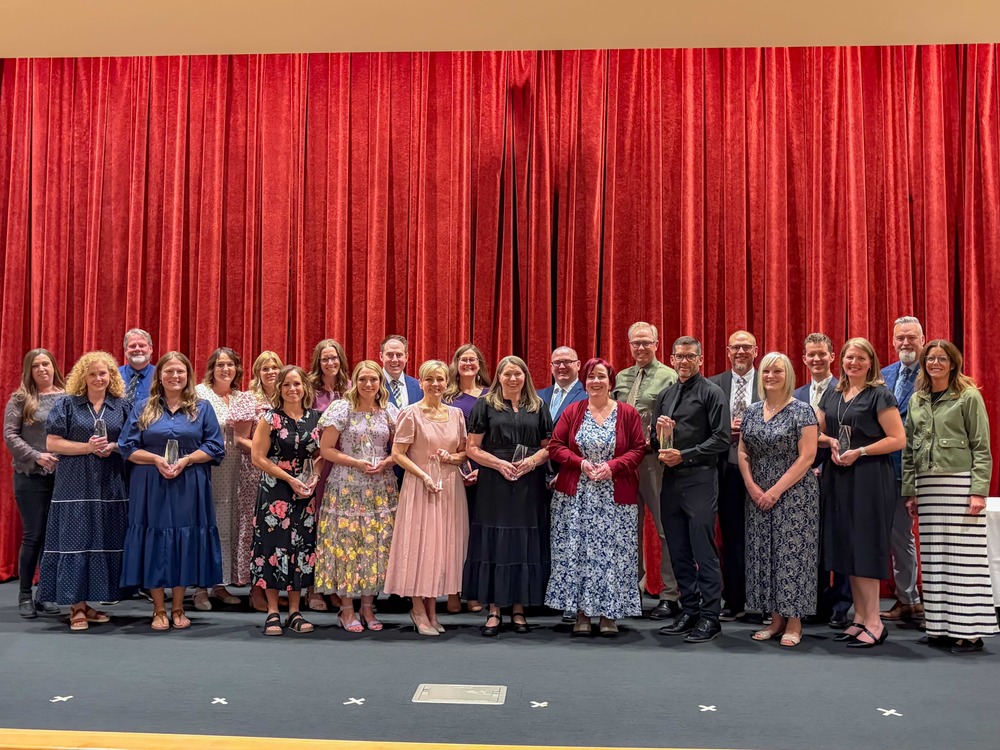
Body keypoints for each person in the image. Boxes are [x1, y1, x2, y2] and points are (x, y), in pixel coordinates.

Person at [119, 353, 225, 631]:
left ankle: (178, 607)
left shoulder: (202, 408)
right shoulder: (143, 407)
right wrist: (155, 459)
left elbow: (215, 446)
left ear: (188, 375)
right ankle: (158, 609)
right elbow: (127, 447)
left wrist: (188, 460)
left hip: (189, 483)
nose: (175, 376)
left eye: (180, 371)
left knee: (183, 541)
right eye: (169, 371)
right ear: (160, 375)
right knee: (155, 540)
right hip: (151, 483)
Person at [903, 340, 995, 653]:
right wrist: (910, 490)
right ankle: (939, 627)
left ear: (953, 363)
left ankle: (969, 632)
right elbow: (908, 448)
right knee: (934, 558)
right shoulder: (917, 398)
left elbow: (981, 447)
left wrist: (978, 491)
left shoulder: (968, 395)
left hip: (959, 484)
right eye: (931, 358)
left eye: (942, 358)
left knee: (964, 561)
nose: (936, 363)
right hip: (927, 487)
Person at [546, 357, 646, 637]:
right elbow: (556, 446)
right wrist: (581, 463)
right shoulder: (574, 411)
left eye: (601, 376)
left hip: (615, 498)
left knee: (613, 556)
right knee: (577, 553)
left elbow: (638, 449)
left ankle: (608, 614)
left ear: (610, 381)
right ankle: (581, 612)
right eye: (590, 377)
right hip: (576, 497)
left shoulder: (627, 413)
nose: (595, 381)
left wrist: (612, 467)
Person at [816, 337, 905, 648]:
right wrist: (829, 443)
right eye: (849, 357)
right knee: (848, 548)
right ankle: (859, 617)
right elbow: (819, 431)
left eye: (860, 358)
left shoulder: (880, 394)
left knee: (865, 547)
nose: (853, 363)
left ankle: (874, 621)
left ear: (871, 363)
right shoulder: (834, 393)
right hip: (839, 477)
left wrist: (862, 451)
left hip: (869, 477)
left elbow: (898, 439)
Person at [36, 351, 130, 631]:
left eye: (104, 373)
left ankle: (88, 603)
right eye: (93, 374)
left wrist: (112, 447)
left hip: (110, 482)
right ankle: (75, 605)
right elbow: (53, 443)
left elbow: (129, 442)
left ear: (111, 376)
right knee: (75, 540)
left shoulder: (121, 406)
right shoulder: (67, 404)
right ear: (83, 377)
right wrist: (88, 448)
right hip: (74, 483)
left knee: (101, 537)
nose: (99, 378)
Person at [465, 355, 552, 636]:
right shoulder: (485, 405)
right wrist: (499, 464)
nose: (513, 379)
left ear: (525, 376)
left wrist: (532, 462)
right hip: (494, 481)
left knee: (523, 541)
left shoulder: (538, 406)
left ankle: (518, 608)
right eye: (507, 374)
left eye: (518, 374)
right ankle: (493, 609)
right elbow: (472, 448)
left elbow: (549, 446)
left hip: (529, 481)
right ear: (498, 377)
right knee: (495, 541)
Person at [738, 352, 820, 647]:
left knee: (792, 556)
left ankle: (794, 622)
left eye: (778, 372)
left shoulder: (802, 411)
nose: (771, 376)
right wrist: (751, 486)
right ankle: (775, 620)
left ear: (789, 376)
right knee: (765, 554)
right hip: (758, 493)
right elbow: (743, 451)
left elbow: (807, 457)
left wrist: (776, 490)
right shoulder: (752, 411)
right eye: (767, 372)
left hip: (794, 494)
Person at [652, 336, 730, 643]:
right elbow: (658, 441)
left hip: (699, 476)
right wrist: (658, 439)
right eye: (679, 357)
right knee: (678, 548)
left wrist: (684, 454)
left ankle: (711, 616)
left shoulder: (712, 393)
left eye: (689, 357)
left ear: (700, 359)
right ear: (671, 360)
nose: (684, 362)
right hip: (670, 479)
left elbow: (722, 439)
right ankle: (690, 609)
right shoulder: (666, 394)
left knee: (702, 547)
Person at [385, 360, 469, 636]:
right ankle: (418, 608)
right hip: (421, 486)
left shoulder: (456, 414)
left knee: (440, 548)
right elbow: (398, 454)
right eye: (429, 379)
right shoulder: (410, 414)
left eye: (440, 379)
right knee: (421, 547)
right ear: (420, 382)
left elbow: (463, 453)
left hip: (449, 487)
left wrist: (452, 457)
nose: (435, 384)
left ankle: (433, 610)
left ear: (447, 383)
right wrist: (423, 475)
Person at [316, 361, 399, 632]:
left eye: (373, 379)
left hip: (380, 488)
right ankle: (346, 608)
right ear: (355, 381)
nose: (368, 384)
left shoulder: (389, 410)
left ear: (380, 382)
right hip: (346, 486)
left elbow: (400, 448)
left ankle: (367, 607)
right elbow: (326, 449)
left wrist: (387, 463)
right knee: (346, 542)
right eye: (362, 379)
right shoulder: (342, 408)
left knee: (374, 544)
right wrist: (356, 463)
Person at [611, 322, 681, 620]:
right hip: (625, 463)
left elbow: (676, 417)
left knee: (665, 529)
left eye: (646, 342)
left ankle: (670, 594)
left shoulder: (669, 376)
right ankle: (630, 591)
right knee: (627, 529)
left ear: (656, 343)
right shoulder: (623, 377)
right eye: (635, 343)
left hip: (654, 461)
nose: (641, 348)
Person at [250, 365, 323, 636]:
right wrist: (289, 478)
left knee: (301, 548)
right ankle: (272, 611)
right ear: (279, 389)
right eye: (286, 385)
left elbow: (320, 454)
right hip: (275, 491)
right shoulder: (270, 418)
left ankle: (294, 610)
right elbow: (258, 457)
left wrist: (314, 477)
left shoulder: (316, 418)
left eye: (297, 384)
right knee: (273, 548)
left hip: (305, 491)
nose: (292, 389)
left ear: (305, 387)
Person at [792, 333, 852, 629]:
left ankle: (841, 605)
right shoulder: (797, 394)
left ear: (832, 357)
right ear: (804, 359)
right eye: (810, 355)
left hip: (837, 475)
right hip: (801, 482)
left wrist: (824, 464)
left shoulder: (845, 390)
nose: (816, 359)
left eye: (821, 354)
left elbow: (848, 434)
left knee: (838, 540)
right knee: (809, 542)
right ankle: (813, 602)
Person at [3, 349, 65, 618]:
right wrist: (37, 456)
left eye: (46, 364)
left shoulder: (67, 397)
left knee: (54, 539)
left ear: (54, 367)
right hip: (30, 477)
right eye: (36, 365)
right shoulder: (20, 399)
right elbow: (10, 435)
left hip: (62, 477)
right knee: (34, 535)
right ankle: (25, 594)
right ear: (29, 370)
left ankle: (46, 594)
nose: (42, 369)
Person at [193, 347, 255, 610]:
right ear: (211, 368)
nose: (225, 369)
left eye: (230, 364)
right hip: (209, 468)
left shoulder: (242, 397)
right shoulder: (200, 393)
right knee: (207, 523)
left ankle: (220, 584)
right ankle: (199, 589)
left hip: (238, 469)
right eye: (220, 365)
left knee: (229, 524)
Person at [708, 329, 761, 622]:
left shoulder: (769, 381)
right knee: (730, 536)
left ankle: (762, 599)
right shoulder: (714, 384)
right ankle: (734, 598)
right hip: (724, 468)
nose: (740, 352)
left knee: (762, 535)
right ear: (728, 351)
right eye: (735, 347)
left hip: (762, 469)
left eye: (746, 347)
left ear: (756, 350)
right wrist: (725, 430)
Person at [879, 316, 925, 623]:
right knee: (890, 537)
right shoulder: (884, 374)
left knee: (904, 538)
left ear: (922, 339)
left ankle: (914, 599)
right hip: (879, 469)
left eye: (911, 337)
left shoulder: (933, 373)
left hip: (914, 470)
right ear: (893, 341)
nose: (905, 343)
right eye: (900, 338)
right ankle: (905, 599)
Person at [442, 343, 491, 613]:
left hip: (483, 473)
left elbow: (493, 438)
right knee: (454, 534)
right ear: (456, 364)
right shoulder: (447, 397)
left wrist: (481, 468)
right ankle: (452, 591)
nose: (468, 364)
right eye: (463, 359)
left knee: (477, 534)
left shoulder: (490, 396)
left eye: (473, 359)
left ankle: (474, 591)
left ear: (479, 364)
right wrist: (457, 468)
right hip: (453, 473)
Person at [303, 338, 350, 612]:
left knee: (336, 528)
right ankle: (312, 587)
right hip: (317, 462)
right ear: (318, 362)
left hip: (343, 465)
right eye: (325, 359)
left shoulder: (349, 389)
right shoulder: (310, 389)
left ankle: (333, 585)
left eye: (334, 358)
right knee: (315, 524)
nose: (330, 363)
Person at [238, 350, 284, 611]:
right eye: (265, 368)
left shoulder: (287, 394)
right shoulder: (249, 399)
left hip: (284, 472)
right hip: (256, 471)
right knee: (256, 528)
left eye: (275, 367)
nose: (271, 372)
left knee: (277, 530)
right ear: (257, 373)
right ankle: (256, 588)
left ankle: (275, 584)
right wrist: (264, 452)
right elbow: (239, 438)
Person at [380, 335, 423, 410]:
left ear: (406, 357)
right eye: (389, 355)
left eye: (399, 355)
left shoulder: (418, 386)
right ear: (381, 356)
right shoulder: (372, 384)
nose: (394, 360)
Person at [118, 328, 156, 408]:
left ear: (150, 349)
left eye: (142, 345)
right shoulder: (115, 375)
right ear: (125, 351)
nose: (137, 349)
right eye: (132, 346)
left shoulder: (160, 375)